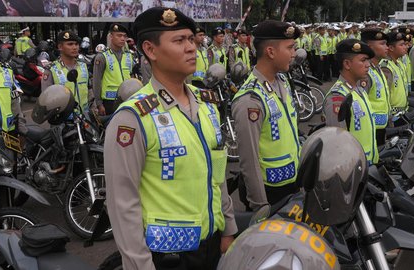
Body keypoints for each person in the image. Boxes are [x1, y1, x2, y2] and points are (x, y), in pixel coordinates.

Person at [104, 7, 237, 270]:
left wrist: (229, 229)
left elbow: (217, 174)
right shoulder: (133, 117)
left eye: (191, 39)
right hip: (166, 258)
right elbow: (122, 204)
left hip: (210, 247)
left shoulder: (207, 106)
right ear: (150, 50)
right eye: (179, 41)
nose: (191, 48)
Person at [231, 20, 301, 211]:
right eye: (290, 48)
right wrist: (260, 205)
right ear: (270, 52)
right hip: (269, 193)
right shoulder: (250, 100)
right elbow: (249, 160)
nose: (294, 54)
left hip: (291, 185)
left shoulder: (282, 81)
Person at [323, 39, 378, 165]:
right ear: (347, 64)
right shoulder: (338, 97)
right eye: (363, 60)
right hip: (353, 168)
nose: (368, 65)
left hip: (367, 164)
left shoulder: (359, 90)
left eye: (368, 60)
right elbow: (337, 145)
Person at [41, 30, 91, 111]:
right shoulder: (51, 70)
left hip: (84, 117)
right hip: (62, 120)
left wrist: (94, 108)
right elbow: (46, 99)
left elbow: (89, 89)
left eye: (76, 44)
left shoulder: (83, 66)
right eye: (70, 44)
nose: (75, 47)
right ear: (60, 47)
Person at [93, 23, 134, 116]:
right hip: (109, 101)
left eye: (124, 36)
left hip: (127, 99)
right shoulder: (102, 56)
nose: (123, 39)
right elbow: (96, 81)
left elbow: (131, 77)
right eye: (119, 35)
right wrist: (99, 104)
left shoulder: (129, 56)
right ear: (111, 37)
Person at [361, 29, 390, 145]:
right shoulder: (365, 73)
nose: (387, 47)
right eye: (382, 44)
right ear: (369, 47)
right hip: (371, 129)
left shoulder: (377, 68)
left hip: (381, 127)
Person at [381, 32, 409, 115]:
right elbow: (386, 94)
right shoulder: (386, 67)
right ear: (391, 48)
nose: (405, 47)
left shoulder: (399, 63)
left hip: (402, 112)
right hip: (393, 115)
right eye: (402, 45)